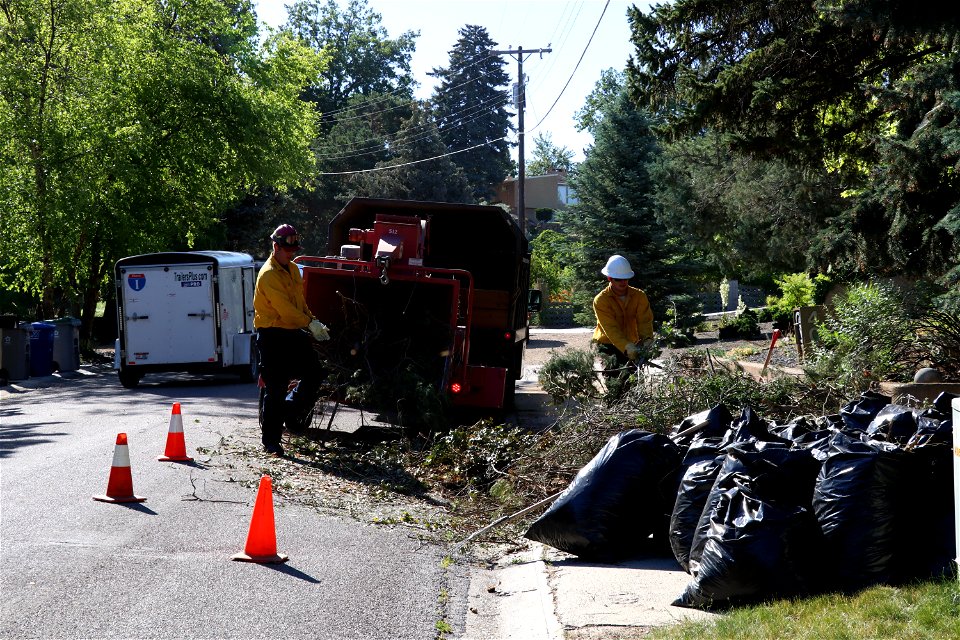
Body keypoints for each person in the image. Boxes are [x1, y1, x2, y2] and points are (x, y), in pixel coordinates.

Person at [253, 224, 330, 455]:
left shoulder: (294, 270)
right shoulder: (268, 275)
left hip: (292, 332)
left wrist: (314, 320)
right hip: (272, 335)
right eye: (288, 250)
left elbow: (299, 304)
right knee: (275, 388)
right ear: (275, 247)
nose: (291, 254)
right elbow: (285, 310)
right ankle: (271, 442)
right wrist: (309, 324)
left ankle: (289, 410)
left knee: (315, 373)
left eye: (294, 250)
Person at [592, 254, 654, 369]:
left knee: (634, 381)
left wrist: (647, 340)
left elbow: (644, 321)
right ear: (609, 278)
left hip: (633, 343)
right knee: (614, 381)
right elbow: (611, 328)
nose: (623, 282)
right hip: (608, 345)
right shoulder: (601, 300)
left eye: (625, 278)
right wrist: (627, 346)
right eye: (618, 279)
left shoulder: (639, 296)